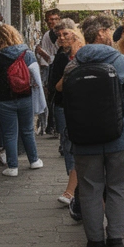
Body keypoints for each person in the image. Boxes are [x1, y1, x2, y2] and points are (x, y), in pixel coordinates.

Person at [64, 15, 124, 247]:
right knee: (119, 186)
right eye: (109, 29)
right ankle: (116, 238)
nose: (113, 33)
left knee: (89, 188)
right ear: (100, 34)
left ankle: (95, 241)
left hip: (84, 138)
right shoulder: (122, 62)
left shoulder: (73, 65)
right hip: (120, 136)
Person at [0, 24, 45, 176]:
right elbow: (36, 77)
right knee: (27, 130)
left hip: (4, 100)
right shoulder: (27, 53)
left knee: (9, 133)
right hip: (25, 97)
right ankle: (34, 160)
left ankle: (12, 167)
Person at [50, 24, 83, 206]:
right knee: (66, 142)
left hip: (76, 106)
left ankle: (73, 188)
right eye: (59, 35)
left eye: (65, 34)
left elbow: (60, 84)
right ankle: (74, 184)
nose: (61, 38)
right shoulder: (60, 56)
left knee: (72, 145)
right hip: (62, 104)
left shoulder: (80, 56)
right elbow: (56, 84)